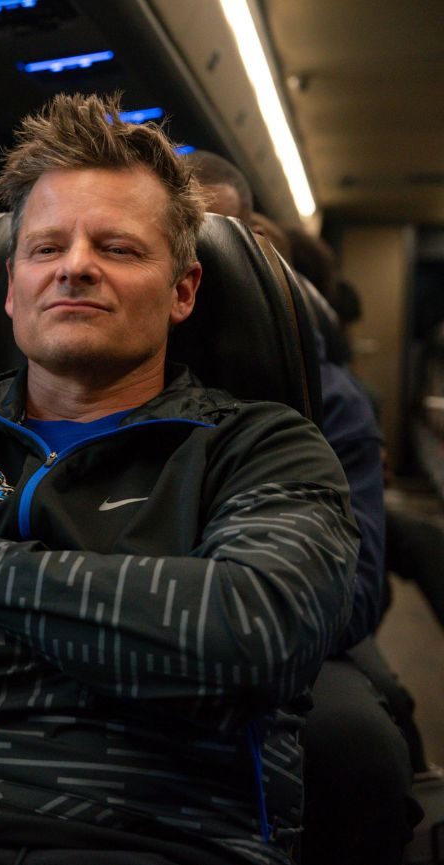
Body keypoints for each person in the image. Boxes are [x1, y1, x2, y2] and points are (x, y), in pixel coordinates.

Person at [0, 93, 358, 865]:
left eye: (117, 247)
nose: (75, 266)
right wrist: (138, 656)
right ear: (11, 285)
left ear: (183, 289)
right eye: (47, 247)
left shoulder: (262, 447)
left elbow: (249, 636)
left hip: (147, 841)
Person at [184, 149, 421, 864]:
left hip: (279, 636)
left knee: (360, 748)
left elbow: (356, 590)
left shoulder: (325, 396)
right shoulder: (103, 374)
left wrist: (223, 625)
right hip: (157, 620)